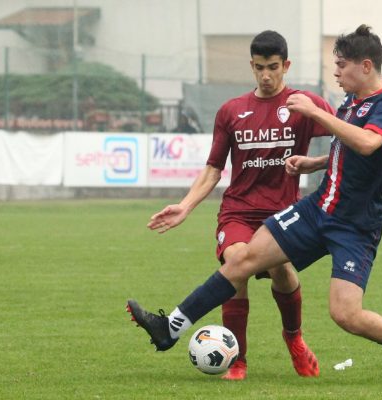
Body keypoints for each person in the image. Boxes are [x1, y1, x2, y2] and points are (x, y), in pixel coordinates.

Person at [128, 24, 382, 385]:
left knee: (346, 314)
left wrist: (316, 113)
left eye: (342, 65)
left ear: (366, 66)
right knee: (240, 260)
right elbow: (350, 148)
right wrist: (317, 162)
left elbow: (369, 144)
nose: (336, 72)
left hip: (355, 225)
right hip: (316, 209)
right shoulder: (351, 101)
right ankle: (170, 328)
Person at [136, 30, 334, 380]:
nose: (266, 76)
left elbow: (343, 137)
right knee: (236, 267)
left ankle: (295, 340)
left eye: (273, 67)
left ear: (286, 65)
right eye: (259, 68)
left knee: (284, 273)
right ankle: (238, 360)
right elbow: (214, 168)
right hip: (238, 211)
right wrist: (186, 206)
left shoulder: (303, 105)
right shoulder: (232, 111)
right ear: (251, 66)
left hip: (283, 213)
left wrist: (315, 162)